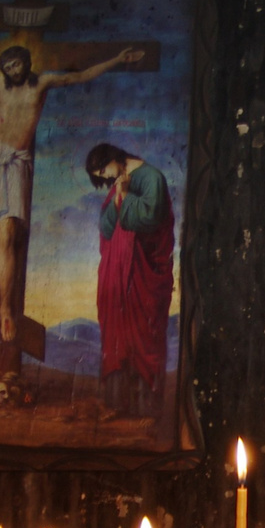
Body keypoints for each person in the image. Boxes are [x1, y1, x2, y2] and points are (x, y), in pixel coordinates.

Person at [0, 41, 144, 391]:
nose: (13, 71)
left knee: (7, 235)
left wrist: (117, 59)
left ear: (27, 63)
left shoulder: (42, 83)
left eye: (17, 65)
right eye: (8, 67)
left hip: (17, 162)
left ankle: (5, 310)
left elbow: (79, 76)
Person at [85, 143, 175, 418]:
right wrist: (117, 199)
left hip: (142, 272)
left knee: (143, 335)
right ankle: (117, 404)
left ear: (113, 158)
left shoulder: (152, 178)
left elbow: (150, 219)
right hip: (117, 274)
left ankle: (146, 409)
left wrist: (125, 196)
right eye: (100, 176)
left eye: (104, 170)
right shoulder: (118, 183)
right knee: (117, 336)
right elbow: (106, 228)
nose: (105, 177)